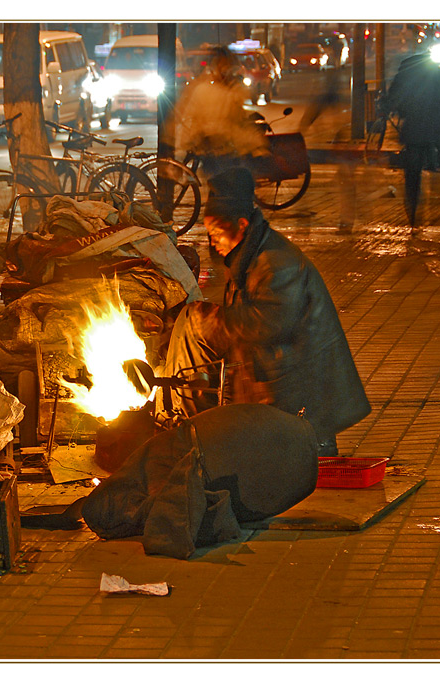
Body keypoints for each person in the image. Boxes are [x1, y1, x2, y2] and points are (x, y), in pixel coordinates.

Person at [157, 167, 370, 457]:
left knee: (305, 458)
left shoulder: (276, 263)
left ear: (241, 224)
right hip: (278, 381)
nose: (213, 241)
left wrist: (206, 321)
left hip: (301, 388)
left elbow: (267, 324)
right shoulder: (247, 254)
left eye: (217, 232)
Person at [386, 49, 440, 227]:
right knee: (438, 167)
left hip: (413, 130)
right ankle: (436, 206)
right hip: (436, 128)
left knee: (412, 174)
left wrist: (394, 109)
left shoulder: (405, 76)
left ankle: (413, 211)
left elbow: (393, 98)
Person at [172, 46, 267, 180]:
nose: (225, 70)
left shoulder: (227, 91)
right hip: (212, 147)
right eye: (222, 65)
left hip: (220, 147)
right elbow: (217, 124)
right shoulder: (206, 91)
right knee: (225, 181)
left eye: (227, 66)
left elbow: (235, 120)